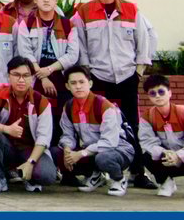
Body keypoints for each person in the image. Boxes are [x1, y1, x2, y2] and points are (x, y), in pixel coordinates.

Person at [72, 0, 154, 186]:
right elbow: (80, 45)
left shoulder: (131, 9)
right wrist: (87, 72)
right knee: (96, 125)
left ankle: (138, 173)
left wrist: (139, 70)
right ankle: (97, 172)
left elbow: (143, 40)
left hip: (127, 75)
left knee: (131, 124)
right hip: (98, 77)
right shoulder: (84, 12)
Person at [0, 56, 59, 193]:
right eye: (16, 75)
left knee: (47, 175)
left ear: (32, 78)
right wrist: (6, 129)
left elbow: (44, 138)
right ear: (8, 76)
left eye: (26, 76)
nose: (21, 80)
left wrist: (31, 162)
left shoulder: (41, 101)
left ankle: (28, 176)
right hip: (6, 148)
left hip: (29, 150)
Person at [55, 64, 134, 196]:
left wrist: (81, 154)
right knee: (57, 153)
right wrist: (67, 150)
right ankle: (95, 175)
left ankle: (118, 179)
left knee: (103, 158)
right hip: (92, 150)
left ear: (90, 83)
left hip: (119, 149)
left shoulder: (104, 106)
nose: (78, 86)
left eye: (82, 82)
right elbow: (67, 134)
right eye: (73, 83)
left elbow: (109, 142)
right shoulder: (68, 107)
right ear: (67, 86)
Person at [15, 0, 78, 142]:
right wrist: (42, 76)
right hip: (35, 79)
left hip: (60, 77)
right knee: (36, 118)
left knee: (61, 119)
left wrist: (49, 70)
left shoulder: (67, 25)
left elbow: (72, 55)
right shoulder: (26, 24)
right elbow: (25, 53)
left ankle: (61, 153)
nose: (46, 0)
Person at [138, 74, 184, 199]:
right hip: (166, 159)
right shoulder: (147, 116)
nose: (157, 96)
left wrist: (179, 155)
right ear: (149, 97)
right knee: (145, 156)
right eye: (152, 93)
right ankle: (166, 182)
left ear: (170, 93)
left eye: (161, 92)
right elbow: (147, 142)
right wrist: (164, 152)